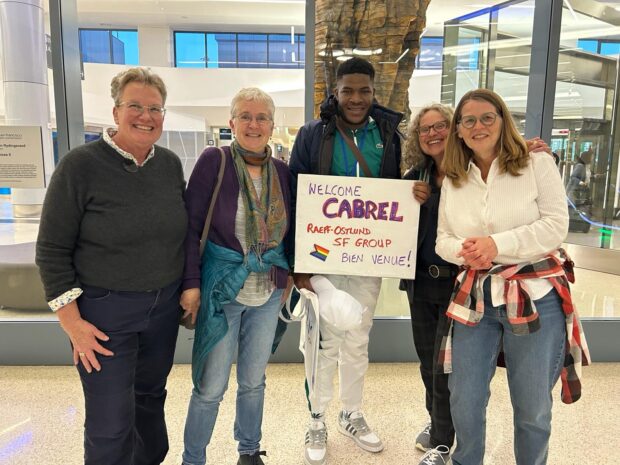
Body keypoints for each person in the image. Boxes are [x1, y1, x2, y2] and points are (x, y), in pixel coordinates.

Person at [35, 67, 187, 465]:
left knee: (151, 401)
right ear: (116, 110)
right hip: (103, 314)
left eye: (155, 108)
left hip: (163, 309)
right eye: (135, 105)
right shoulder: (80, 166)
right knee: (110, 420)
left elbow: (183, 233)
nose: (146, 115)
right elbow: (51, 250)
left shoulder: (169, 165)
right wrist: (72, 324)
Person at [436, 88, 589, 465]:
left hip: (536, 299)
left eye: (487, 117)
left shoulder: (536, 163)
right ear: (458, 130)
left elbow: (555, 225)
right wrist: (466, 252)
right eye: (468, 120)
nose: (478, 126)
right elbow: (443, 238)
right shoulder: (455, 177)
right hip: (476, 299)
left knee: (532, 405)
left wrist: (496, 245)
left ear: (503, 120)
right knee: (465, 397)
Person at [400, 104, 552, 465]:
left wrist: (535, 152)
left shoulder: (489, 169)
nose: (433, 133)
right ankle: (441, 431)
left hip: (469, 286)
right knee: (434, 368)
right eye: (425, 129)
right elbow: (414, 232)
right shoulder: (415, 176)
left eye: (441, 126)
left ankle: (441, 438)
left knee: (453, 372)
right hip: (424, 283)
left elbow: (544, 215)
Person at [289, 57, 402, 465]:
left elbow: (394, 191)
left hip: (368, 254)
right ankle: (316, 417)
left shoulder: (387, 133)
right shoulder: (313, 134)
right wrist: (300, 262)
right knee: (322, 340)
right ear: (334, 92)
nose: (356, 98)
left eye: (364, 91)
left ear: (374, 93)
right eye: (348, 90)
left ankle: (350, 413)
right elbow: (297, 193)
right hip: (322, 253)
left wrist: (413, 195)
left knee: (358, 335)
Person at [180, 88, 293, 465]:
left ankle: (249, 450)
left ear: (272, 126)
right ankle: (193, 458)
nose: (254, 124)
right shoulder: (216, 161)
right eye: (245, 116)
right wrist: (191, 284)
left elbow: (291, 232)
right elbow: (191, 228)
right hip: (220, 292)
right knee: (210, 387)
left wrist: (292, 273)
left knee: (253, 383)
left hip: (268, 293)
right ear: (231, 123)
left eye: (261, 118)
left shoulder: (282, 172)